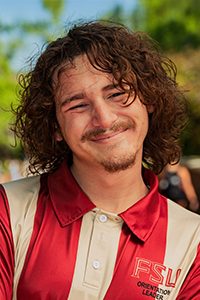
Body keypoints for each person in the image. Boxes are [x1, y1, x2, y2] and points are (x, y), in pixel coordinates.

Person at [0, 21, 200, 300]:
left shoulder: (194, 242)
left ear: (149, 100)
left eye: (117, 93)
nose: (104, 119)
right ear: (56, 126)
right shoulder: (7, 211)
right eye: (78, 105)